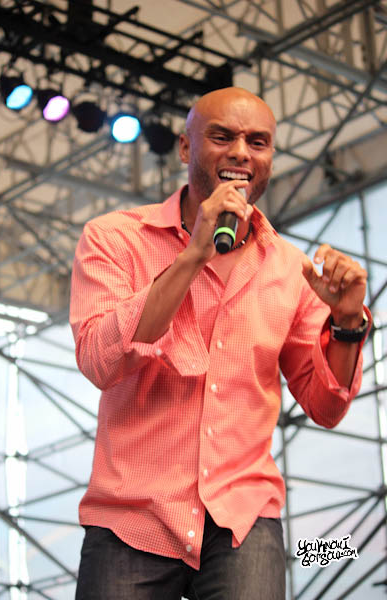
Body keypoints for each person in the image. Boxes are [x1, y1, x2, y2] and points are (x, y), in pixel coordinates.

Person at [70, 87, 370, 599]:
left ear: (270, 157)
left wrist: (344, 322)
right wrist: (193, 255)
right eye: (222, 136)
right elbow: (100, 360)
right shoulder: (113, 238)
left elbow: (326, 406)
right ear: (186, 148)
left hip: (242, 518)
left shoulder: (291, 269)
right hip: (132, 516)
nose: (241, 152)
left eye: (258, 142)